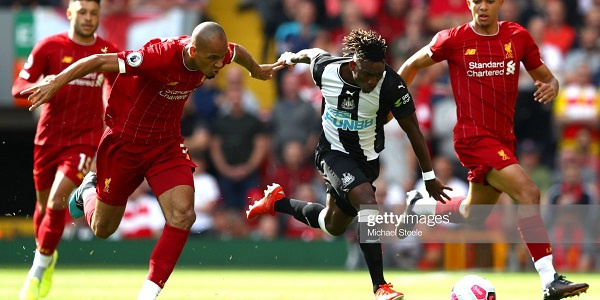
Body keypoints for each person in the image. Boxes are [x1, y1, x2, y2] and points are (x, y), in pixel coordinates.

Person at [22, 21, 283, 300]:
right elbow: (98, 60)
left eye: (221, 58)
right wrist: (57, 81)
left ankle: (148, 295)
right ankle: (88, 189)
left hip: (165, 145)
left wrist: (256, 69)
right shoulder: (159, 55)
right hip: (124, 144)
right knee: (103, 229)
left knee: (183, 215)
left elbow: (237, 51)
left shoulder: (214, 51)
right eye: (212, 59)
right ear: (193, 51)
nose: (219, 65)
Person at [396, 1, 589, 299]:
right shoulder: (453, 38)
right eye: (477, 0)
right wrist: (393, 104)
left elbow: (547, 76)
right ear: (469, 3)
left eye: (490, 0)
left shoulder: (518, 37)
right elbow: (411, 66)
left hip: (503, 140)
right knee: (529, 193)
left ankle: (419, 204)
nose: (483, 6)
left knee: (473, 213)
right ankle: (550, 280)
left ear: (500, 2)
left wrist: (553, 85)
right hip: (473, 138)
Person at [246, 29, 451, 300]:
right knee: (367, 200)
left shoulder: (390, 84)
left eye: (377, 74)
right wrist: (292, 58)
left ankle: (277, 202)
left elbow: (413, 129)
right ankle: (380, 286)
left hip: (367, 160)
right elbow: (313, 55)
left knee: (332, 225)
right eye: (367, 74)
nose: (372, 80)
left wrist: (428, 176)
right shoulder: (327, 71)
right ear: (353, 65)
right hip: (332, 152)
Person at [11, 1, 119, 299]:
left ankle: (36, 273)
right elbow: (18, 86)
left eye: (93, 13)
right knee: (45, 207)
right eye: (82, 12)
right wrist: (42, 83)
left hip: (84, 140)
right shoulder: (49, 46)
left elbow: (115, 85)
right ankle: (47, 254)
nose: (88, 18)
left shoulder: (107, 51)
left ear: (99, 16)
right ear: (70, 13)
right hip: (47, 139)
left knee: (58, 200)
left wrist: (111, 110)